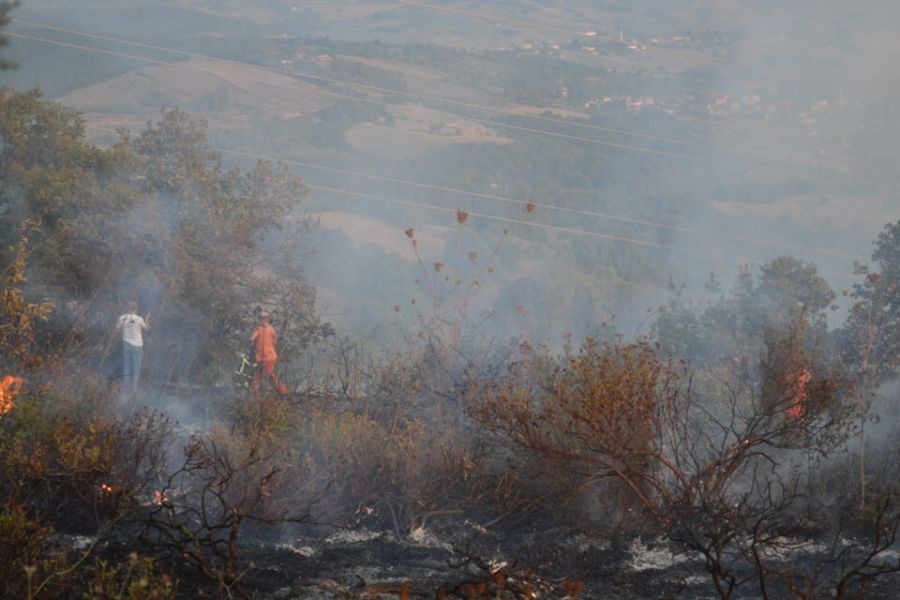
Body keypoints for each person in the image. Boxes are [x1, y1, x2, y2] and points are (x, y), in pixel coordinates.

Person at [116, 301, 149, 397]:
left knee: (127, 367)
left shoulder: (121, 318)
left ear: (127, 308)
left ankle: (125, 390)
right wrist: (147, 319)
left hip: (126, 345)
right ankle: (133, 392)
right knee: (136, 369)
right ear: (136, 308)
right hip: (137, 346)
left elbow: (117, 331)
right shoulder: (139, 319)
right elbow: (146, 328)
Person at [250, 310, 288, 395]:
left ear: (267, 319)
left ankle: (283, 391)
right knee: (259, 375)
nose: (262, 320)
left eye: (264, 318)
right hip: (261, 358)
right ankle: (254, 393)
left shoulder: (269, 330)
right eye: (261, 318)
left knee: (269, 375)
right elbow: (252, 338)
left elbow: (252, 339)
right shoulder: (261, 329)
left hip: (268, 357)